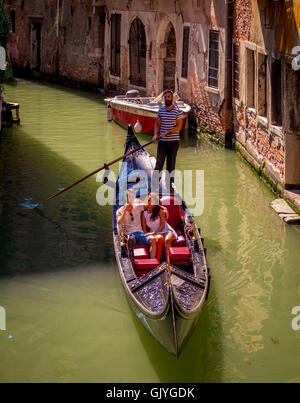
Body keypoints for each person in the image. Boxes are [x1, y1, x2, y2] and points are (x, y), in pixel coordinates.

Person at [152, 90, 183, 192]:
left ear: (172, 98)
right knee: (159, 163)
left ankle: (170, 187)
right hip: (162, 142)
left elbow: (179, 127)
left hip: (173, 143)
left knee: (171, 164)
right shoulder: (161, 110)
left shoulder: (178, 111)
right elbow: (157, 124)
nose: (167, 99)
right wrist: (156, 134)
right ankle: (155, 186)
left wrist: (167, 133)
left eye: (168, 97)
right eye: (165, 97)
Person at [142, 193, 177, 264]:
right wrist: (146, 235)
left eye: (152, 201)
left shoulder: (160, 210)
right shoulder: (144, 213)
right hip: (155, 233)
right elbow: (144, 228)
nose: (150, 203)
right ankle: (156, 262)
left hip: (166, 230)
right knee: (160, 238)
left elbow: (162, 226)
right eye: (149, 200)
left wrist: (153, 233)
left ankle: (169, 264)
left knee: (167, 240)